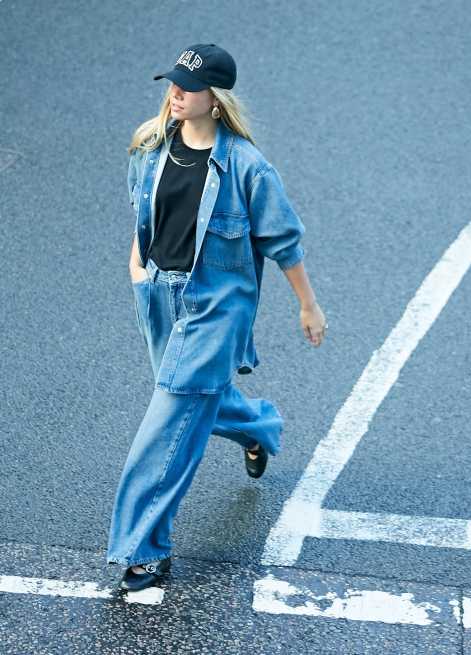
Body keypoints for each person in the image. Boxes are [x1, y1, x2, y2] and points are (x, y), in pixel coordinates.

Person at [106, 43, 327, 592]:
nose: (176, 93)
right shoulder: (150, 147)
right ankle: (258, 428)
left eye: (189, 87)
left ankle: (144, 549)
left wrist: (308, 304)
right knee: (196, 401)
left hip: (215, 310)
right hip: (160, 295)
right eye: (172, 83)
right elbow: (142, 212)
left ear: (216, 98)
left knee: (167, 424)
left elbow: (283, 241)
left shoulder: (247, 167)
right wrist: (138, 271)